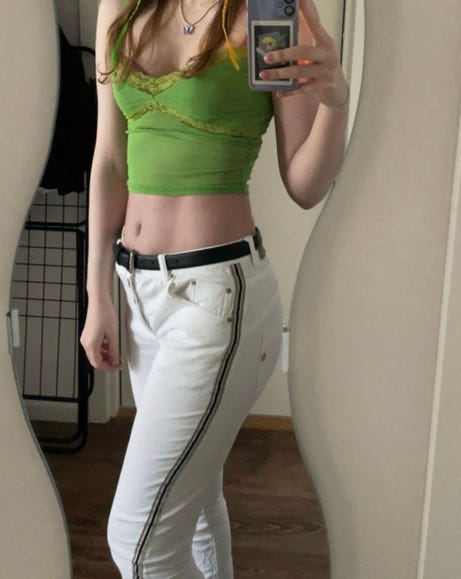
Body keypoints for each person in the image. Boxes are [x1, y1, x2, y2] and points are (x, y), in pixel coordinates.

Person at [80, 0, 349, 576]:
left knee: (138, 543)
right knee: (196, 503)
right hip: (136, 293)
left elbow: (304, 184)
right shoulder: (121, 7)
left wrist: (335, 100)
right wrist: (97, 292)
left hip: (216, 302)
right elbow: (108, 160)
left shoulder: (268, 13)